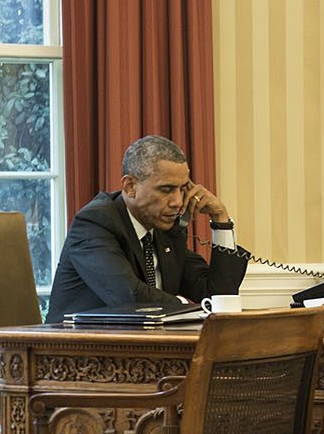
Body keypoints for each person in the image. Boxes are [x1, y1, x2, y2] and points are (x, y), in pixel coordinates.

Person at [44, 134, 247, 325]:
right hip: (75, 351)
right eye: (166, 189)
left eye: (182, 189)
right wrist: (190, 308)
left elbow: (219, 296)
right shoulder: (95, 222)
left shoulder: (165, 228)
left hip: (143, 349)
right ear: (130, 186)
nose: (177, 202)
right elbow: (129, 297)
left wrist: (220, 221)